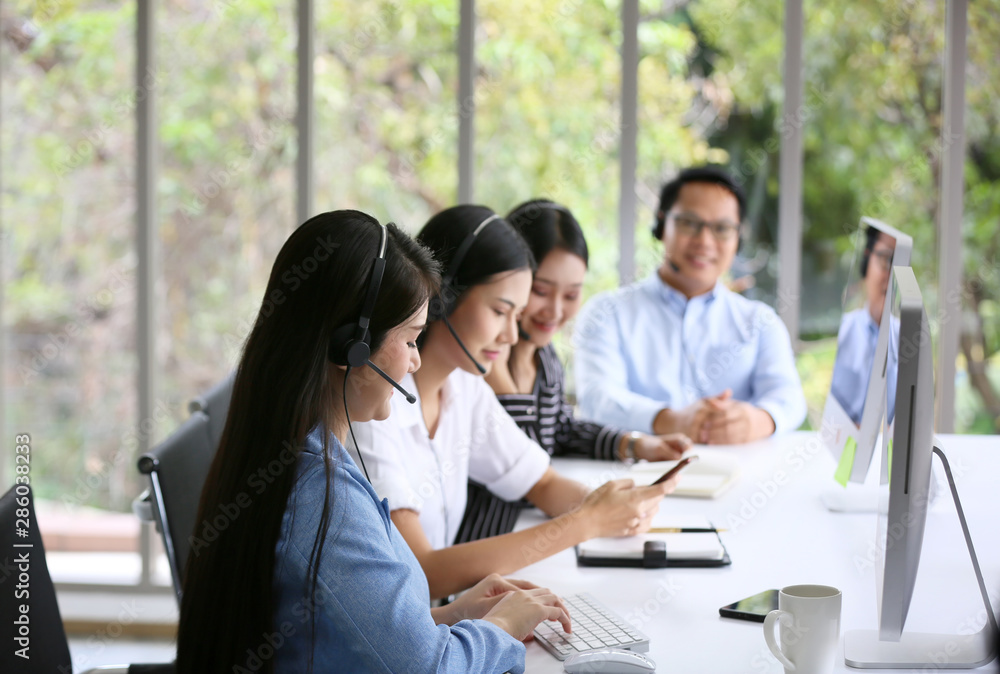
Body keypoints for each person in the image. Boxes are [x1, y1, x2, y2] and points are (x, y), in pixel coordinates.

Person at [177, 210, 571, 674]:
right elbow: (428, 670)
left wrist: (458, 614)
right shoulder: (324, 501)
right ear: (352, 347)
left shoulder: (295, 453)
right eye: (410, 340)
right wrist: (503, 627)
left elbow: (355, 633)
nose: (416, 361)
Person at [349, 205, 677, 600]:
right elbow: (423, 569)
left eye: (517, 315)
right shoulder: (372, 407)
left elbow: (541, 481)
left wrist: (613, 506)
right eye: (500, 311)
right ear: (442, 297)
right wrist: (586, 523)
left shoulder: (465, 390)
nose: (510, 334)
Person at [448, 200, 692, 545]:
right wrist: (502, 380)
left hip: (529, 537)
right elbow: (525, 463)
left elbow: (560, 428)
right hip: (477, 546)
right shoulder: (472, 364)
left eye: (572, 294)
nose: (555, 311)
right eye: (541, 291)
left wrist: (634, 444)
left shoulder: (545, 359)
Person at [573, 166, 807, 445]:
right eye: (689, 223)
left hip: (741, 478)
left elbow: (789, 399)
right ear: (661, 225)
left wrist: (757, 420)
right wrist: (671, 420)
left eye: (721, 229)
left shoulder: (760, 322)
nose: (704, 242)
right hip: (638, 477)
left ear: (737, 239)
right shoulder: (607, 312)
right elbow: (597, 398)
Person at [829, 225, 898, 426]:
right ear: (867, 260)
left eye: (901, 264)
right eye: (886, 259)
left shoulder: (911, 339)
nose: (892, 274)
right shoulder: (842, 332)